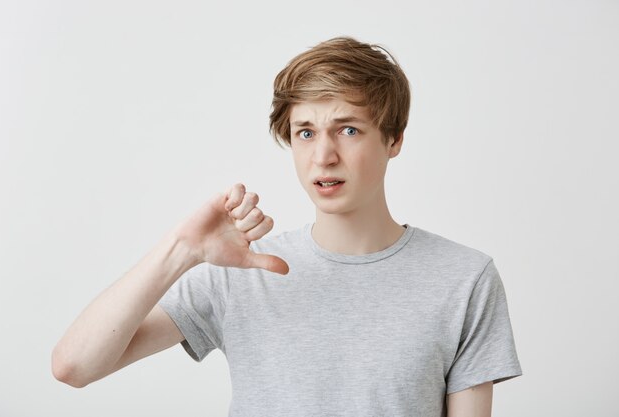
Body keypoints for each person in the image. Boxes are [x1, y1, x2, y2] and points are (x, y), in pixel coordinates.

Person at [52, 36, 522, 417]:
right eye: (306, 132)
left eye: (349, 129)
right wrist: (182, 250)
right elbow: (74, 366)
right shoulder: (243, 272)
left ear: (394, 139)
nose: (323, 155)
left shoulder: (465, 279)